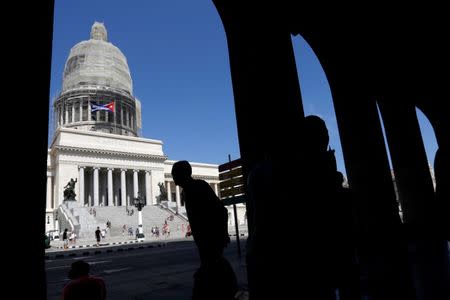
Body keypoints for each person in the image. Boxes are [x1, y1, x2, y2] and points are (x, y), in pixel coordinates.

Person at [172, 160, 237, 300]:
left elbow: (222, 211)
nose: (172, 176)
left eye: (174, 173)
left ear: (183, 174)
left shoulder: (199, 187)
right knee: (214, 271)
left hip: (211, 239)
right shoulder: (186, 192)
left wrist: (223, 234)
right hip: (203, 243)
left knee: (212, 274)